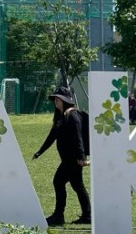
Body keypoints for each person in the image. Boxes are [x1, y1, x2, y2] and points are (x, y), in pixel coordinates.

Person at [32, 84, 91, 226]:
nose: (55, 102)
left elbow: (78, 138)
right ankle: (88, 215)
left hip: (72, 160)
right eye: (55, 99)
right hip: (68, 159)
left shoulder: (72, 115)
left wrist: (82, 158)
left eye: (57, 99)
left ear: (64, 100)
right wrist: (40, 151)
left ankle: (59, 216)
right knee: (77, 185)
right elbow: (52, 136)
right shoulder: (61, 116)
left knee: (58, 182)